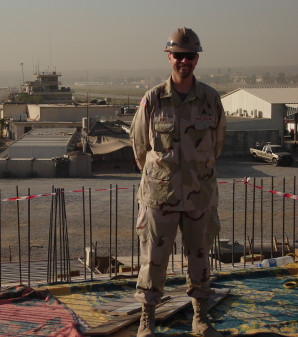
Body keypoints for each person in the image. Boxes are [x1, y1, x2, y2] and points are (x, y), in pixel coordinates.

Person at [129, 27, 226, 337]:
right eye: (179, 55)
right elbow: (139, 147)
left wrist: (195, 171)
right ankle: (148, 320)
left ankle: (200, 318)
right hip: (160, 197)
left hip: (199, 196)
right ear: (169, 56)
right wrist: (163, 175)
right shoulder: (153, 98)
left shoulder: (210, 99)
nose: (184, 61)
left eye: (191, 56)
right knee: (153, 260)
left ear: (197, 59)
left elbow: (218, 144)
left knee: (200, 258)